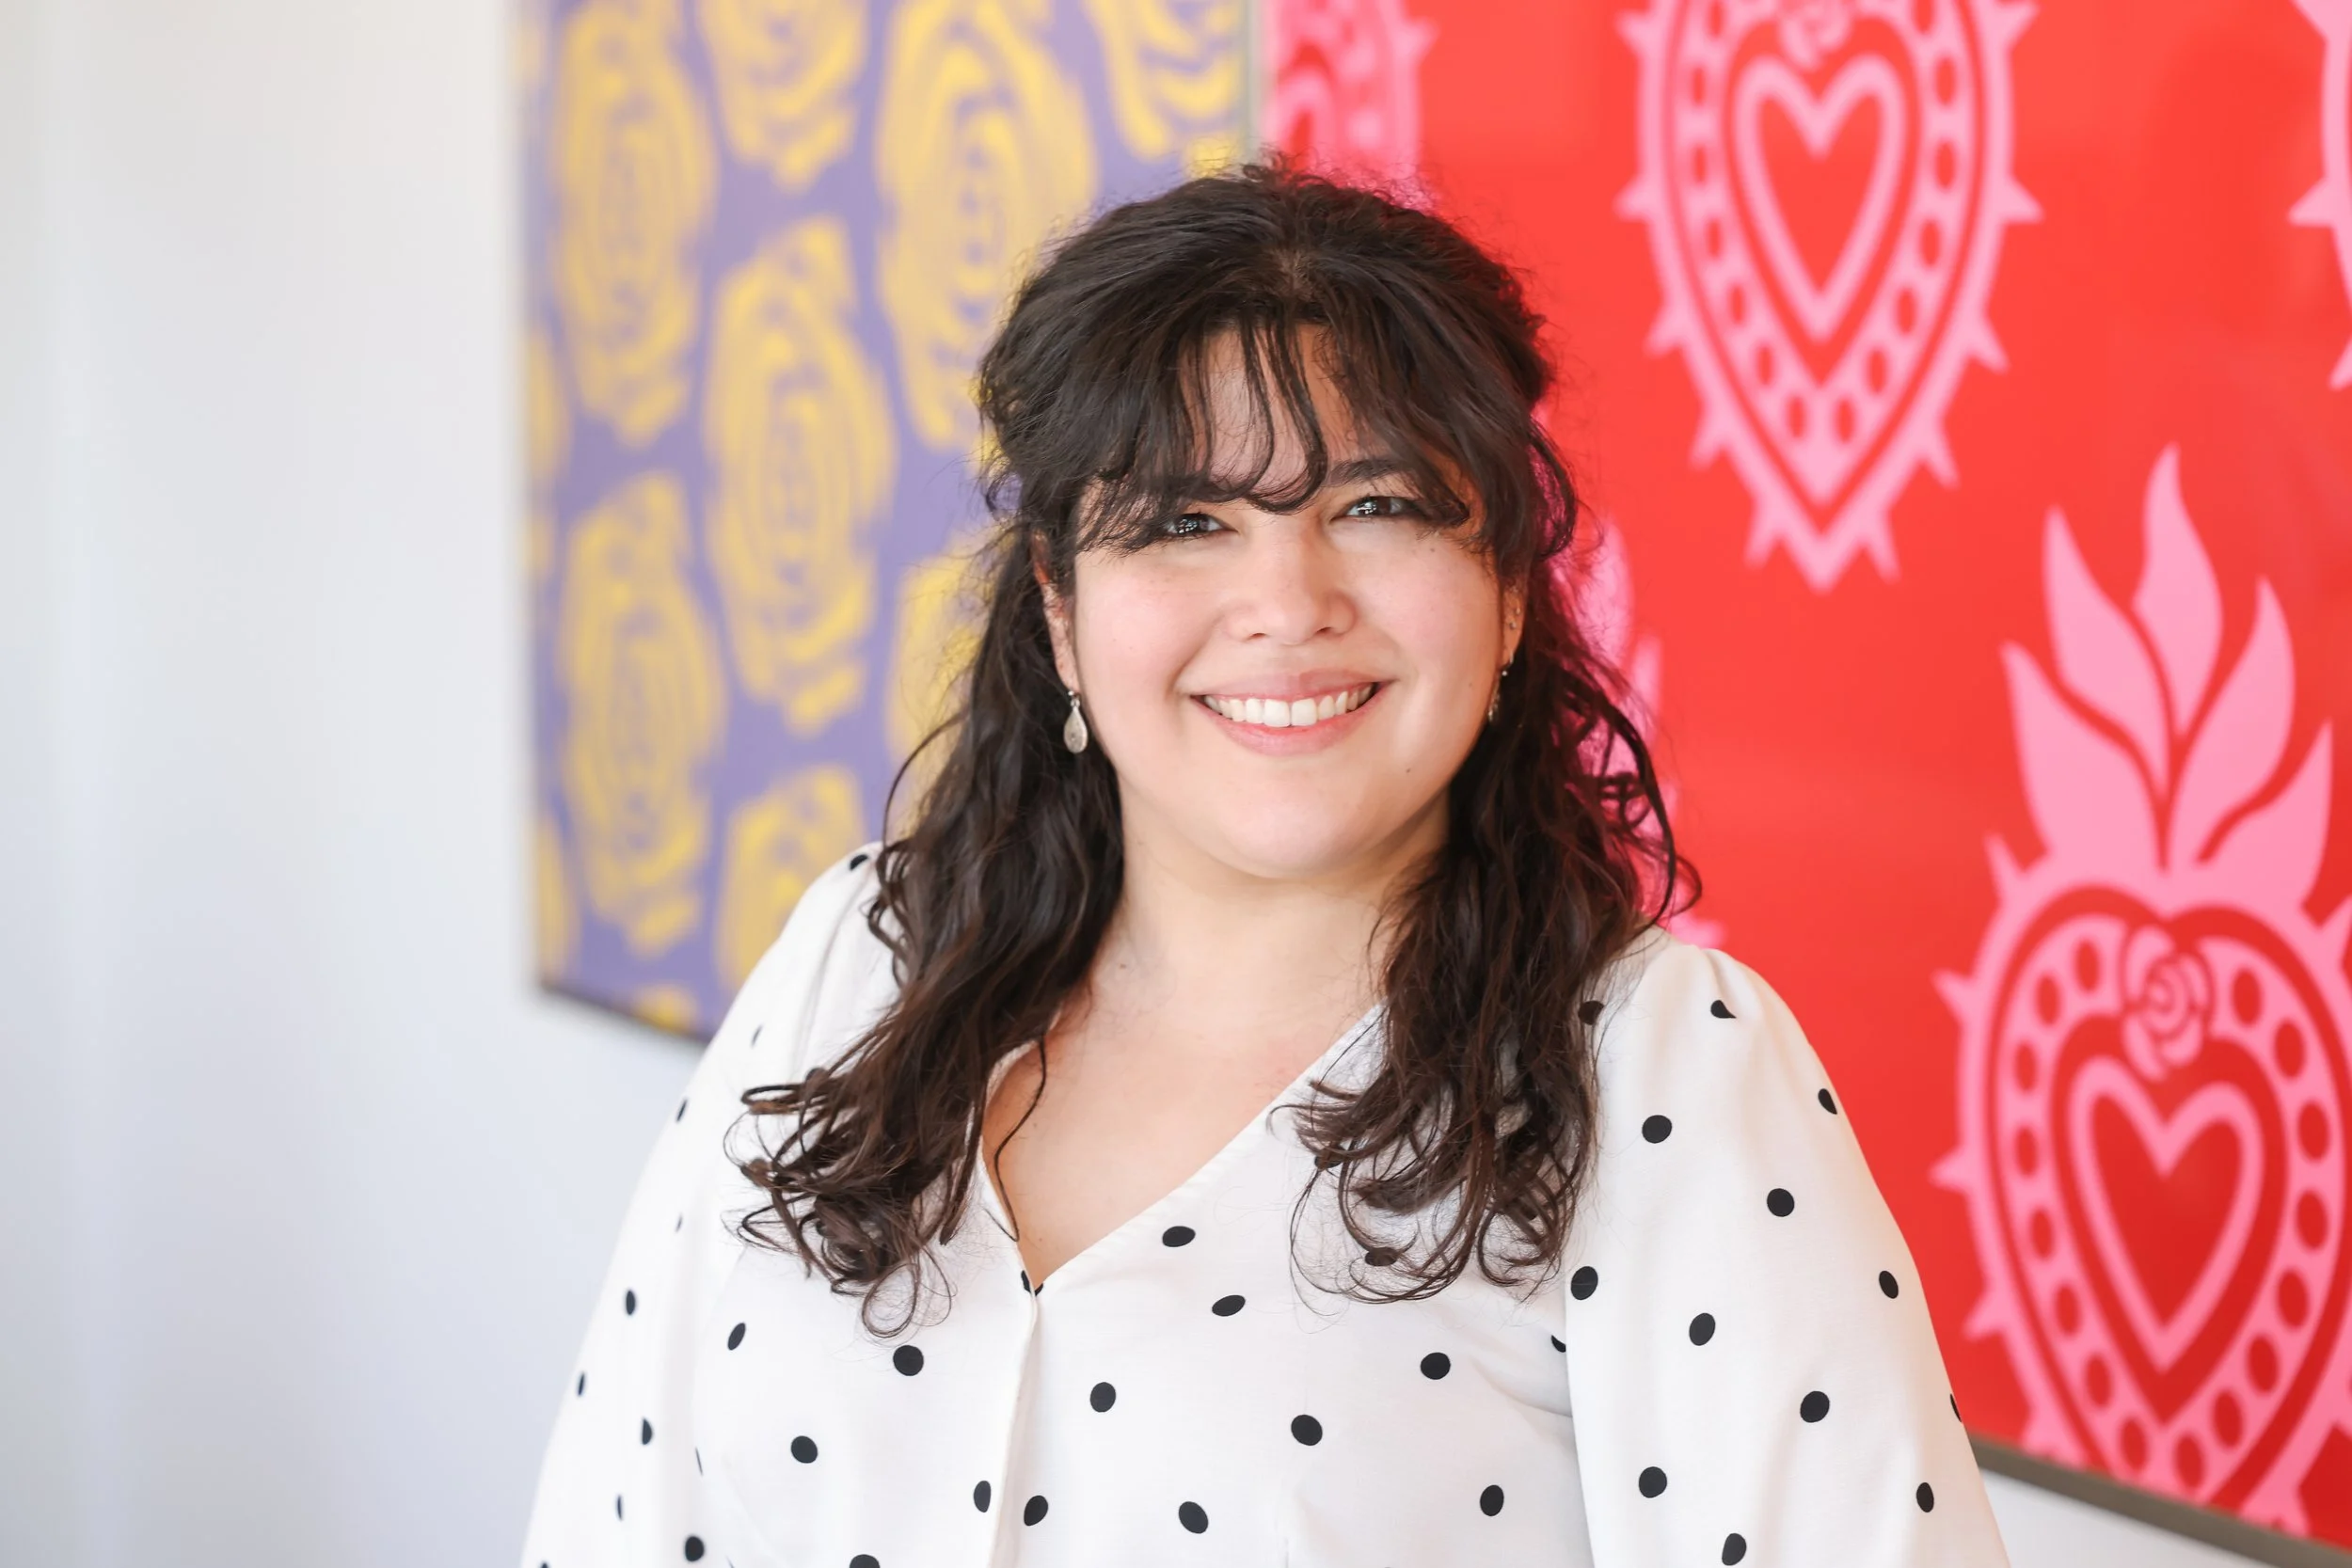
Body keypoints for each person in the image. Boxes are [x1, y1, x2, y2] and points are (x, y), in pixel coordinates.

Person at [519, 162, 2008, 1568]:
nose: (1285, 604)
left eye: (1375, 506)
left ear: (1504, 592)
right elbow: (614, 1516)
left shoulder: (1663, 1074)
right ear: (1059, 610)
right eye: (1185, 521)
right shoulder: (862, 958)